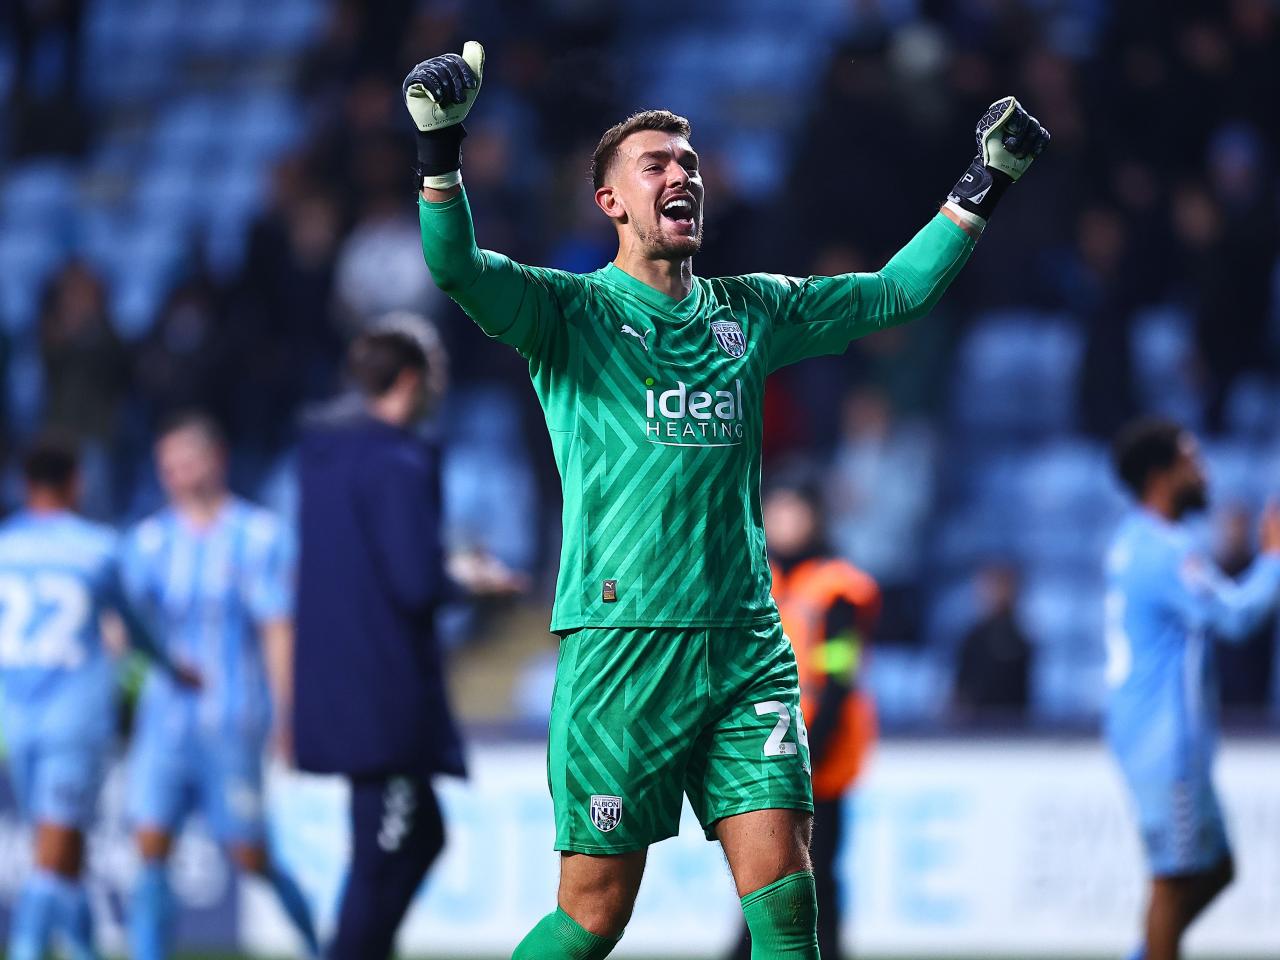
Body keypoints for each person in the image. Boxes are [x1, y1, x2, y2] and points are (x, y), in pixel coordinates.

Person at [406, 41, 1048, 958]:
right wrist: (439, 151)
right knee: (594, 914)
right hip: (624, 645)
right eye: (656, 164)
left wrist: (982, 183)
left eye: (692, 163)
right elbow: (457, 268)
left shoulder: (749, 310)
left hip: (747, 643)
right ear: (612, 201)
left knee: (786, 902)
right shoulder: (570, 314)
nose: (683, 176)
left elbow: (893, 296)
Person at [293, 319, 466, 960]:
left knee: (416, 835)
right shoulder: (397, 460)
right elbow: (415, 581)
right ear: (415, 378)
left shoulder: (322, 458)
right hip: (384, 692)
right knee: (383, 852)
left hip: (341, 679)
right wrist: (466, 581)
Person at [120, 412, 318, 960]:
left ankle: (321, 946)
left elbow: (278, 630)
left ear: (216, 460)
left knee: (252, 856)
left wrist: (288, 714)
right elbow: (123, 630)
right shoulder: (149, 542)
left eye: (186, 461)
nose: (176, 474)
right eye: (167, 466)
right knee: (150, 848)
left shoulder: (258, 537)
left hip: (231, 722)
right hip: (162, 726)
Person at [0, 440, 194, 960]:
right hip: (73, 718)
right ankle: (25, 948)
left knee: (66, 851)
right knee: (54, 851)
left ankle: (82, 951)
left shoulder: (4, 546)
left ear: (24, 484)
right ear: (76, 482)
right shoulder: (98, 547)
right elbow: (136, 628)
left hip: (14, 718)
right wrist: (176, 669)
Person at [1105, 418, 1280, 960]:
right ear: (1162, 476)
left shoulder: (1134, 540)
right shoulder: (1165, 550)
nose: (1203, 472)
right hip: (1165, 740)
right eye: (1191, 460)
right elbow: (1234, 618)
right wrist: (1273, 557)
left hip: (1150, 730)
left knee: (1216, 868)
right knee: (1172, 880)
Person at [727, 482, 879, 960]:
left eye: (794, 511)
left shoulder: (837, 589)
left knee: (819, 868)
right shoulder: (753, 578)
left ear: (814, 518)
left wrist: (818, 745)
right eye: (776, 511)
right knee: (765, 868)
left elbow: (840, 676)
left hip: (823, 754)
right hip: (766, 751)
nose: (783, 522)